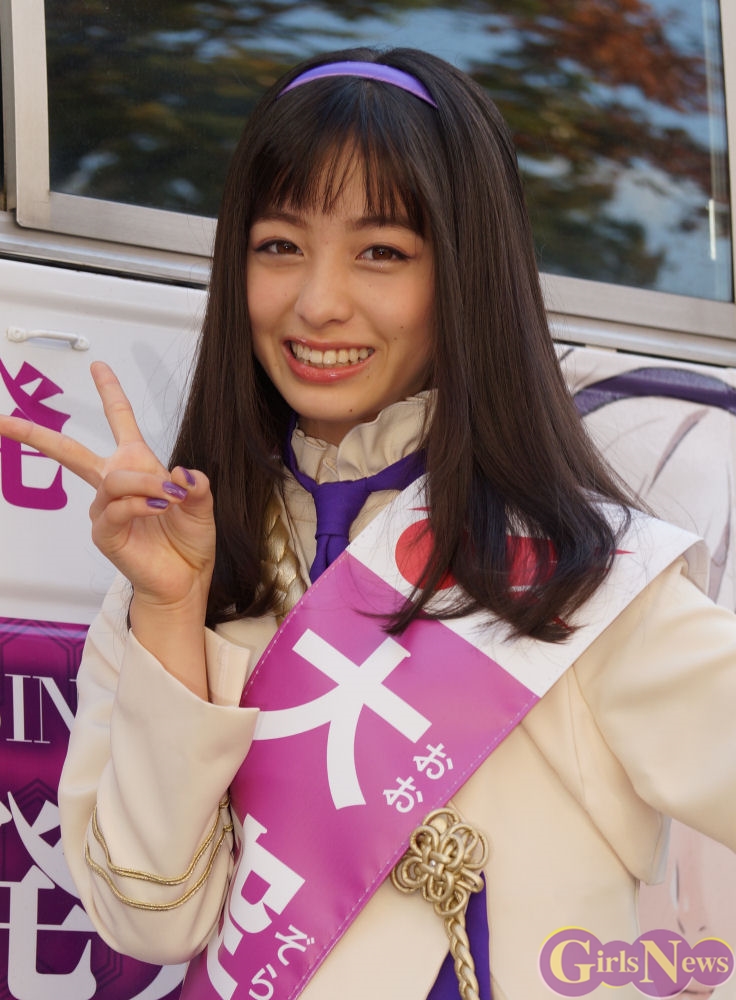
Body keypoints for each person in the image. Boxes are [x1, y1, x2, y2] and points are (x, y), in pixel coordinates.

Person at [1, 47, 735, 1000]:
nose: (318, 303)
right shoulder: (181, 580)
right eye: (279, 245)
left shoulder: (577, 579)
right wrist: (171, 613)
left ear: (465, 276)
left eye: (381, 252)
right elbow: (148, 918)